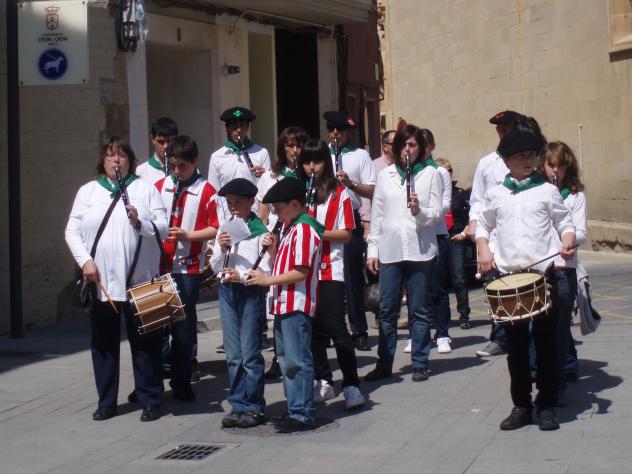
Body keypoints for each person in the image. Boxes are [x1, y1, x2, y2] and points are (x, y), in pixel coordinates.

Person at [476, 128, 576, 431]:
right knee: (517, 348)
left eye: (531, 154)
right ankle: (521, 405)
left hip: (543, 276)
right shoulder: (497, 193)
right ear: (507, 161)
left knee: (546, 344)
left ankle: (546, 403)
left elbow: (564, 222)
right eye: (521, 156)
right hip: (509, 279)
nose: (528, 160)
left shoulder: (546, 190)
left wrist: (568, 240)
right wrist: (483, 248)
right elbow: (483, 224)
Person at [65, 136, 168, 422]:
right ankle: (107, 401)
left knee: (147, 343)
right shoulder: (87, 191)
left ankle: (150, 399)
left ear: (130, 161)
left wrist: (140, 222)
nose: (116, 160)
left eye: (121, 155)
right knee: (104, 343)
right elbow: (72, 230)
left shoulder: (146, 189)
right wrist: (85, 261)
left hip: (143, 279)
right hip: (102, 282)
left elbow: (163, 227)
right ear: (103, 160)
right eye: (110, 155)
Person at [365, 124, 442, 382]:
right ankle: (384, 363)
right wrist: (372, 249)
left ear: (420, 149)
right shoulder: (386, 175)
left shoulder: (430, 174)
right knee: (387, 310)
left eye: (412, 145)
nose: (407, 150)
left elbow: (437, 213)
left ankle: (420, 362)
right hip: (391, 250)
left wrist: (420, 210)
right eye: (403, 145)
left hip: (420, 251)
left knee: (419, 309)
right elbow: (377, 215)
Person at [247, 178, 322, 433]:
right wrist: (273, 250)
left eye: (279, 208)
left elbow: (301, 271)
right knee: (287, 360)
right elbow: (286, 263)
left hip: (295, 304)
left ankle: (302, 413)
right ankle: (295, 409)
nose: (276, 213)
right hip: (284, 304)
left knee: (297, 360)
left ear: (294, 204)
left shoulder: (304, 230)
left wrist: (266, 280)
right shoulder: (292, 229)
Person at [297, 139, 365, 410]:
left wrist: (318, 231)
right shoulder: (299, 191)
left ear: (326, 162)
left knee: (336, 325)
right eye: (307, 162)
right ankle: (323, 379)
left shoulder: (339, 193)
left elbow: (346, 234)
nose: (312, 167)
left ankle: (351, 384)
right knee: (313, 328)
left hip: (329, 268)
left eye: (317, 161)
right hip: (303, 269)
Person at [155, 135, 219, 401]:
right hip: (160, 265)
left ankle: (181, 379)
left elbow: (215, 228)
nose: (177, 171)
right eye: (173, 166)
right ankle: (156, 377)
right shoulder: (161, 186)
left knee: (183, 326)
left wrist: (188, 236)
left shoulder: (207, 191)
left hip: (188, 268)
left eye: (182, 166)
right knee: (157, 324)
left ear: (194, 162)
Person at [211, 178, 275, 429]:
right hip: (227, 291)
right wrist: (221, 248)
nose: (233, 208)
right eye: (229, 203)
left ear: (251, 201)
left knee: (249, 354)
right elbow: (215, 266)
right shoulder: (225, 228)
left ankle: (254, 406)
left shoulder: (261, 232)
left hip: (249, 292)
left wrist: (241, 275)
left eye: (238, 202)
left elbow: (266, 270)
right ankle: (237, 404)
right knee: (233, 354)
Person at [468, 110, 523, 358]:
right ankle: (500, 338)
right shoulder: (487, 164)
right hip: (494, 238)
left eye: (508, 127)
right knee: (495, 287)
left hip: (520, 236)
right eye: (500, 128)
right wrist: (474, 224)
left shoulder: (527, 159)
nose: (504, 131)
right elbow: (478, 200)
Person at [324, 110, 376, 351]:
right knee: (325, 277)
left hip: (349, 218)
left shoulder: (360, 155)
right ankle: (329, 330)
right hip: (325, 218)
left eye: (340, 130)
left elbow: (371, 190)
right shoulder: (322, 153)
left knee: (352, 277)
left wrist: (350, 184)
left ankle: (359, 331)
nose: (336, 134)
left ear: (347, 132)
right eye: (331, 129)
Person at [538, 141, 586, 389]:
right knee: (541, 323)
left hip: (564, 266)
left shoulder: (575, 197)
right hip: (541, 267)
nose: (555, 171)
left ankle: (564, 369)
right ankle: (546, 368)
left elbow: (581, 233)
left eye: (561, 166)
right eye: (551, 165)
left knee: (560, 322)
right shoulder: (538, 193)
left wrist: (568, 239)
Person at [209, 106, 271, 225]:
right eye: (234, 126)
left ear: (247, 127)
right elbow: (214, 194)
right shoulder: (217, 157)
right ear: (227, 128)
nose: (238, 130)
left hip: (255, 219)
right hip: (228, 219)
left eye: (242, 125)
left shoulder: (262, 153)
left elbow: (267, 190)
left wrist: (264, 176)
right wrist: (221, 222)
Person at [420, 129, 453, 354]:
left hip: (437, 233)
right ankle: (419, 333)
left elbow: (446, 203)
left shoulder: (440, 172)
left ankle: (442, 333)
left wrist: (426, 215)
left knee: (438, 288)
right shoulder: (411, 171)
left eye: (425, 145)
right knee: (418, 290)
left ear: (431, 147)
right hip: (417, 234)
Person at [436, 158, 472, 329]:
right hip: (439, 238)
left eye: (449, 170)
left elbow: (471, 217)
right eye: (444, 170)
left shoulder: (459, 193)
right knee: (439, 279)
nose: (448, 173)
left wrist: (464, 233)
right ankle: (440, 316)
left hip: (455, 238)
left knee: (459, 277)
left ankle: (464, 314)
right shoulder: (433, 194)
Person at [257, 126, 310, 227]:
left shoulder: (310, 177)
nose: (295, 150)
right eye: (290, 146)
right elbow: (262, 215)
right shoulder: (268, 177)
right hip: (275, 232)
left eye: (299, 146)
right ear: (282, 148)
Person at [136, 117, 178, 184]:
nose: (166, 146)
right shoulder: (140, 172)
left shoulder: (185, 170)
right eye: (161, 141)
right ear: (152, 139)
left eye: (170, 141)